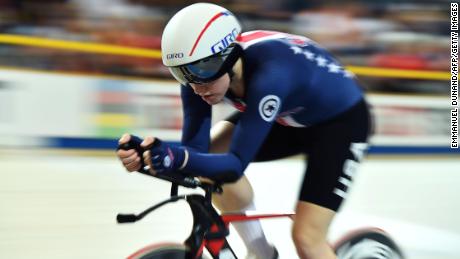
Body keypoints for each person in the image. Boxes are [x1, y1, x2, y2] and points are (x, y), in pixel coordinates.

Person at [116, 3, 371, 259]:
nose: (195, 87)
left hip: (340, 123)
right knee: (210, 155)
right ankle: (261, 253)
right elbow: (195, 153)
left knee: (307, 238)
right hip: (289, 115)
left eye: (200, 71)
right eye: (181, 74)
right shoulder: (199, 72)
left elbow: (234, 166)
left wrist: (175, 157)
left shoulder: (272, 73)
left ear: (228, 57)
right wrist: (148, 156)